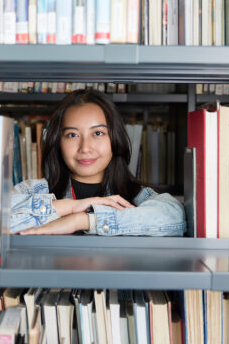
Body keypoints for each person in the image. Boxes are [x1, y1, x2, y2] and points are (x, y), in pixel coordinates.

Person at [10, 89, 186, 236]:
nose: (85, 148)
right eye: (72, 135)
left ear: (114, 139)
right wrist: (70, 207)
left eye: (98, 133)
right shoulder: (34, 190)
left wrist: (83, 220)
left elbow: (175, 217)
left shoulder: (135, 195)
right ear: (58, 142)